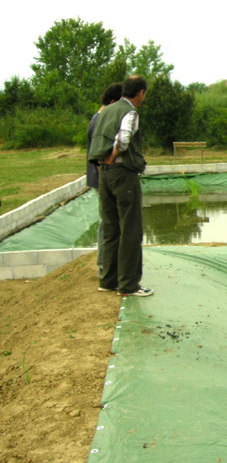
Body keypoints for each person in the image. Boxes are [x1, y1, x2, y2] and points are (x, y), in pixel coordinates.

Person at [88, 75, 153, 297]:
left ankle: (108, 281)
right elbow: (124, 139)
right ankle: (128, 285)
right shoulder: (130, 112)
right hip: (122, 173)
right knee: (130, 229)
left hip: (104, 175)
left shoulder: (106, 110)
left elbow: (96, 141)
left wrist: (103, 162)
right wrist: (113, 155)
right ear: (140, 93)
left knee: (110, 228)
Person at [86, 82, 123, 278]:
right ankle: (104, 268)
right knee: (107, 223)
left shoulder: (97, 119)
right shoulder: (100, 121)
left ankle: (108, 266)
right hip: (102, 179)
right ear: (111, 102)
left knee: (109, 222)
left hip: (101, 178)